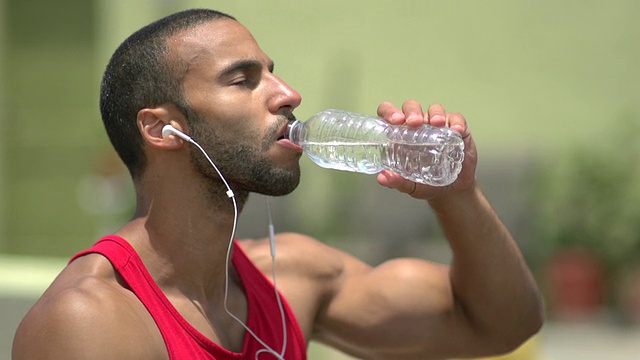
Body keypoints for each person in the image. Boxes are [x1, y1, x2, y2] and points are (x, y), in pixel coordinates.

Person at [12, 8, 543, 360]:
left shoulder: (290, 276)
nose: (288, 94)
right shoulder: (92, 321)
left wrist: (458, 195)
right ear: (162, 128)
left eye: (273, 73)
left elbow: (498, 323)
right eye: (243, 80)